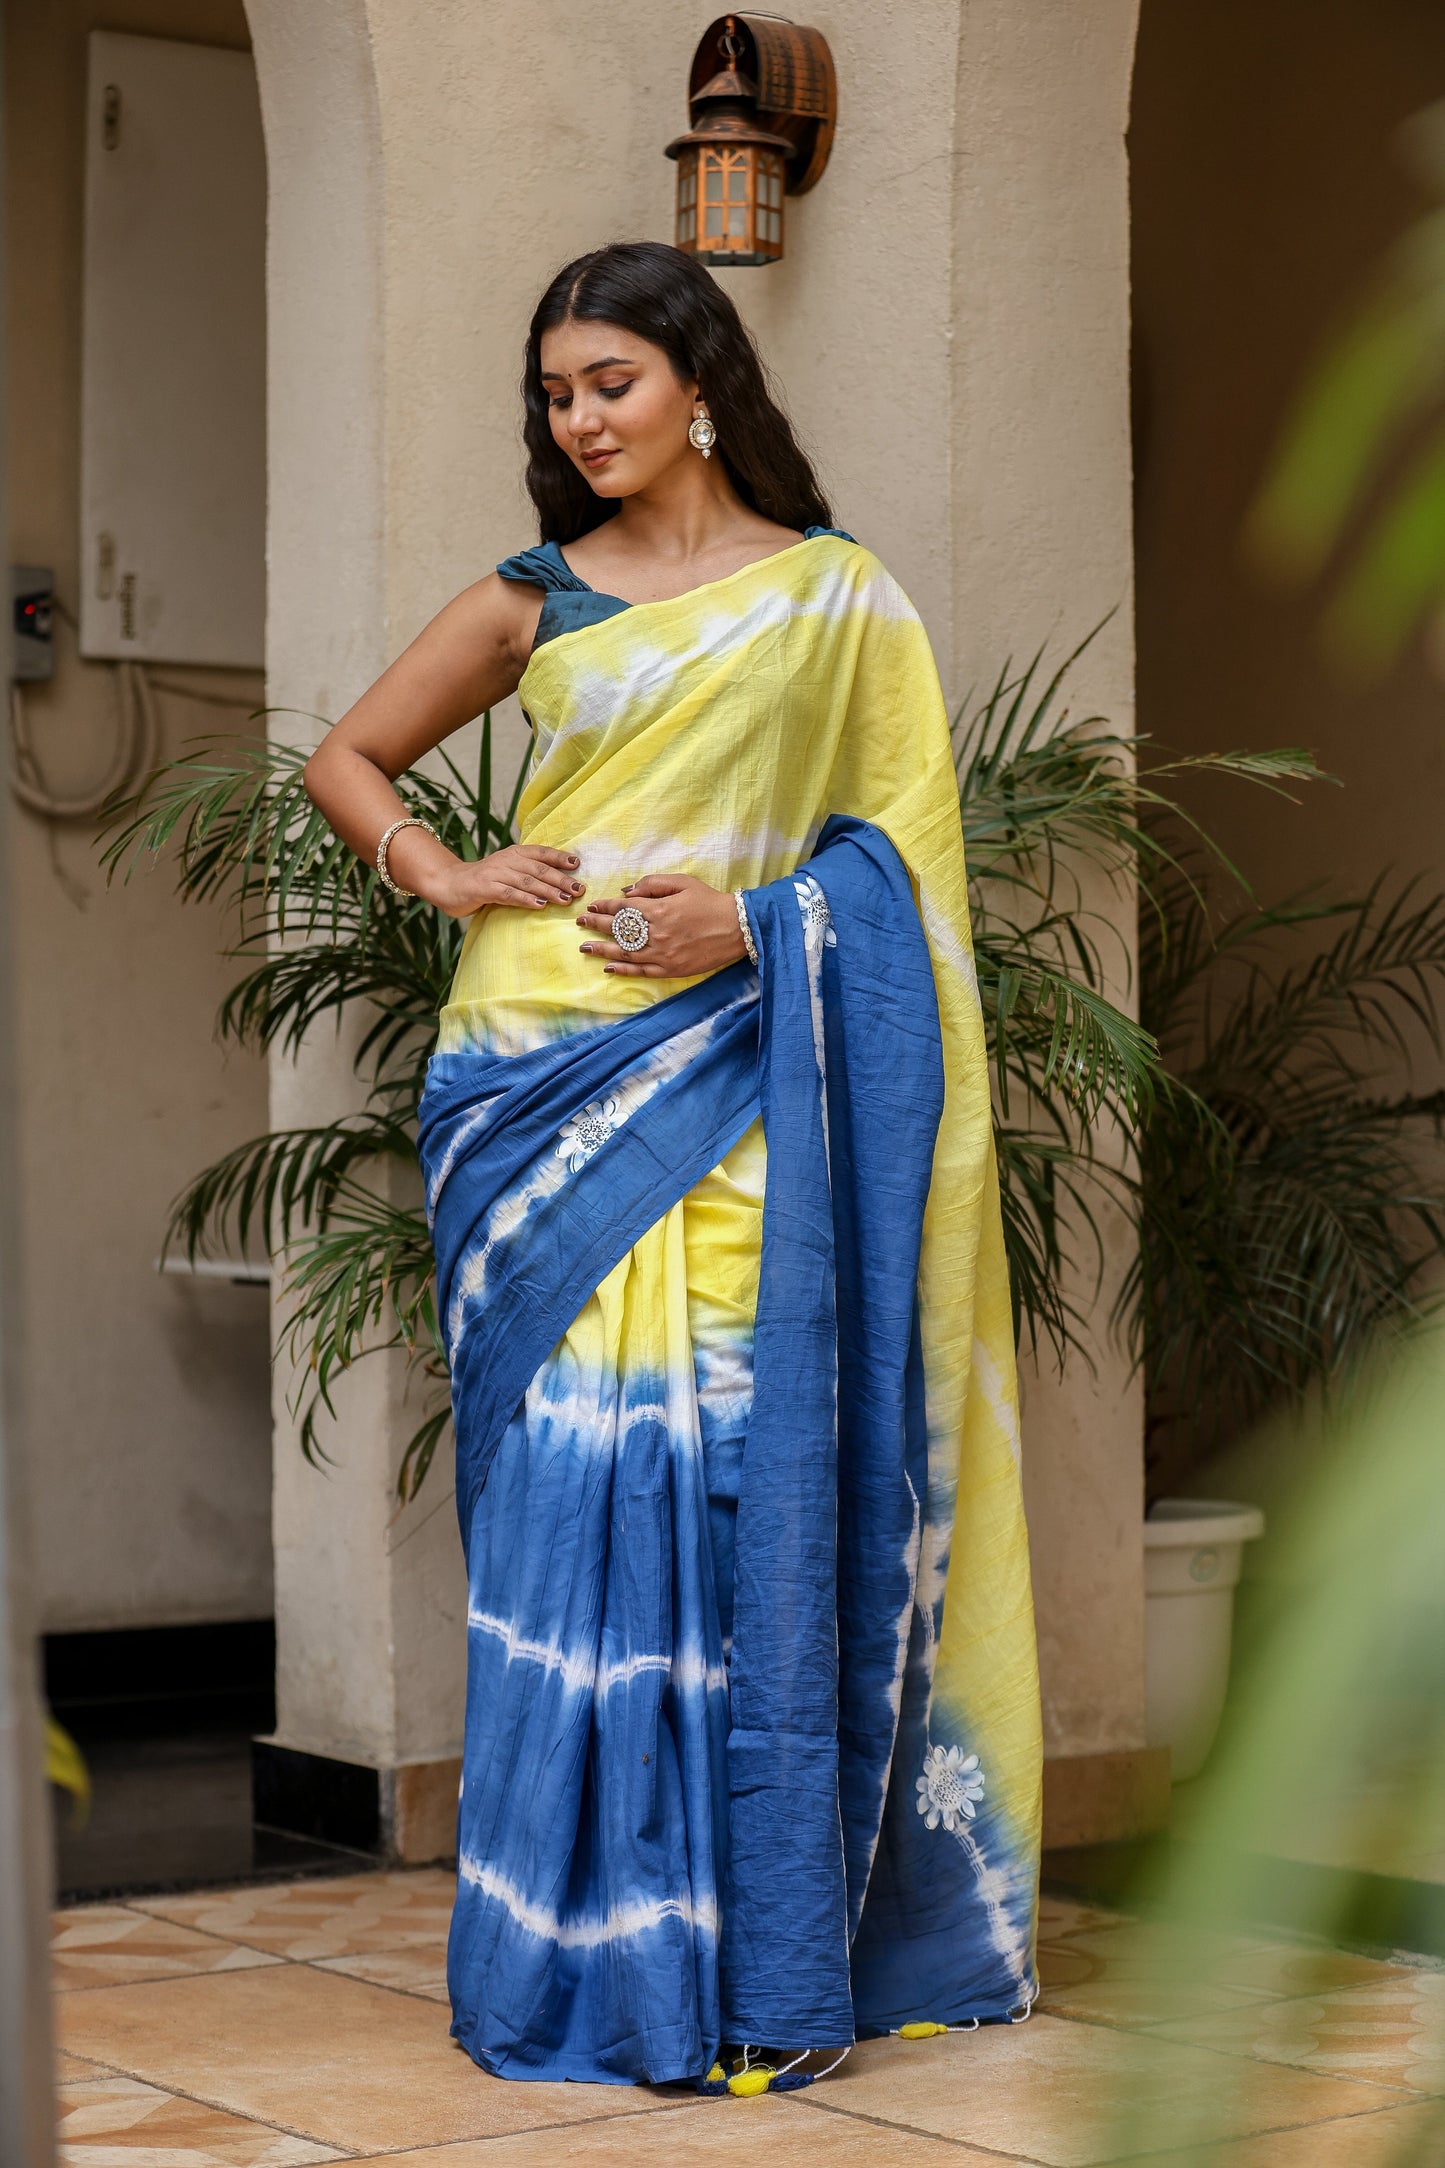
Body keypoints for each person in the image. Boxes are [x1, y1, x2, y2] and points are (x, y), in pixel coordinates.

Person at [303, 239, 1041, 2089]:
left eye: (610, 382)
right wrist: (449, 876)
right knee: (566, 1512)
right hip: (532, 1083)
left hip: (741, 1078)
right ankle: (582, 1962)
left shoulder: (836, 599)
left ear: (699, 382)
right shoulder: (534, 596)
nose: (581, 419)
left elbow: (902, 879)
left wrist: (760, 922)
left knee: (735, 1493)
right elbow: (353, 757)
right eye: (556, 394)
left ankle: (744, 1956)